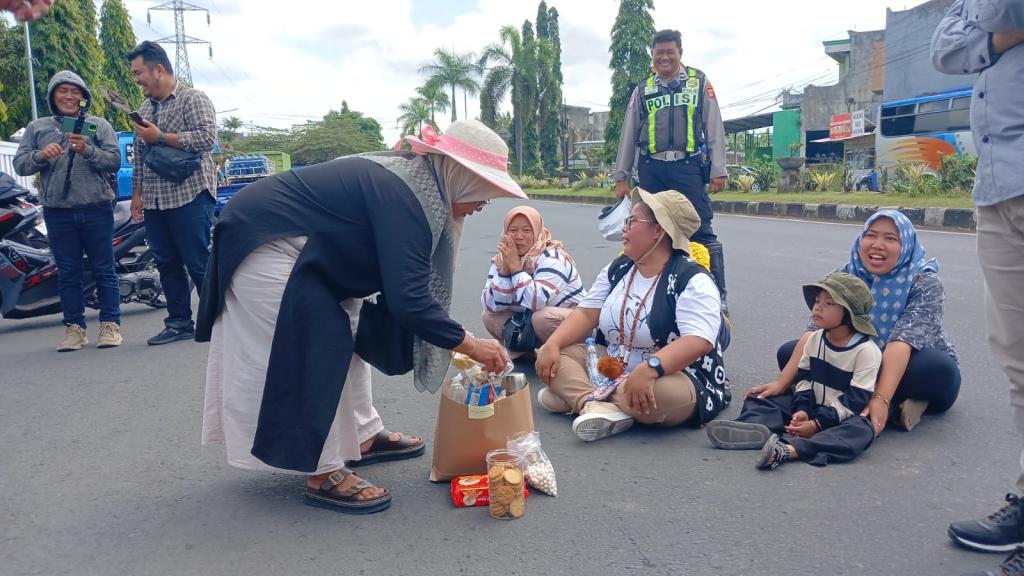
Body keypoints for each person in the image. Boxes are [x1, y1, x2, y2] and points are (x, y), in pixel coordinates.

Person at [196, 120, 520, 514]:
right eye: (484, 193)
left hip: (311, 250)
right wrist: (471, 344)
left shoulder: (421, 185)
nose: (483, 205)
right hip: (267, 245)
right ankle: (323, 469)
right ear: (462, 176)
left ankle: (363, 435)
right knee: (319, 342)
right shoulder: (407, 196)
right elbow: (409, 300)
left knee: (346, 329)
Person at [932, 2, 1024, 573]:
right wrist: (1001, 40)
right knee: (1018, 362)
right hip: (997, 191)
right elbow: (946, 46)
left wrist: (990, 31)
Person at [534, 188, 729, 442]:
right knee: (556, 357)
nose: (624, 228)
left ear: (659, 230)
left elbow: (698, 340)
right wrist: (552, 343)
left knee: (663, 397)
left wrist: (651, 368)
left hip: (674, 376)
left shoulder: (691, 279)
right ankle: (593, 405)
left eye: (632, 221)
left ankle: (578, 396)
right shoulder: (618, 269)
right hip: (614, 364)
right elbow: (586, 313)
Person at [748, 210, 960, 436]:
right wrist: (781, 383)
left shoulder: (924, 282)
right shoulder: (846, 276)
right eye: (871, 235)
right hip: (857, 360)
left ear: (906, 244)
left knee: (939, 368)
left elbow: (901, 343)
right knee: (789, 353)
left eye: (890, 238)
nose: (878, 245)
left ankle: (883, 401)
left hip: (907, 363)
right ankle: (871, 404)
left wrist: (881, 398)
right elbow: (815, 330)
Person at [705, 272, 881, 470]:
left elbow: (855, 401)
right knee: (761, 398)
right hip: (814, 405)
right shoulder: (815, 339)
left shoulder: (867, 352)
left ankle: (790, 449)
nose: (818, 307)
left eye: (829, 303)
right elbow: (804, 378)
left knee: (861, 431)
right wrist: (802, 410)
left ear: (850, 315)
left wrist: (817, 424)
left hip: (842, 416)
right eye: (817, 301)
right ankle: (755, 428)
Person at [611, 29, 730, 312]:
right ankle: (649, 291)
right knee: (649, 229)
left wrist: (719, 168)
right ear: (653, 55)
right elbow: (628, 134)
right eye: (659, 52)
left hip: (688, 168)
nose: (664, 57)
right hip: (652, 169)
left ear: (680, 53)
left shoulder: (699, 83)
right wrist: (621, 177)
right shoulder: (643, 90)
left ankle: (718, 293)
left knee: (701, 228)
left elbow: (714, 126)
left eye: (670, 52)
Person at [13, 70, 123, 351]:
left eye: (76, 92)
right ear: (53, 95)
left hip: (97, 208)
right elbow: (21, 165)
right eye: (63, 90)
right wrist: (40, 156)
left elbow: (113, 161)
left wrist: (88, 151)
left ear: (83, 97)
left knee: (104, 269)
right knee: (67, 272)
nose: (70, 96)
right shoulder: (38, 128)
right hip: (57, 211)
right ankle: (74, 328)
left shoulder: (97, 125)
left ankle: (110, 325)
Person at [126, 40, 217, 346]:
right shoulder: (143, 108)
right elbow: (140, 154)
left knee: (198, 261)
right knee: (165, 261)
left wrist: (161, 137)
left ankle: (218, 321)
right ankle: (179, 322)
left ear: (159, 69)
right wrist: (136, 194)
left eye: (139, 73)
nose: (137, 79)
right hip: (154, 199)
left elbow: (207, 138)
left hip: (190, 193)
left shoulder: (193, 98)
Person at [480, 205, 586, 358]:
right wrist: (504, 271)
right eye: (513, 230)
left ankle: (567, 354)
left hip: (577, 324)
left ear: (537, 232)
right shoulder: (502, 258)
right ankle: (522, 351)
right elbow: (490, 304)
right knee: (489, 316)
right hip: (529, 322)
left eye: (527, 230)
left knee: (542, 318)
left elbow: (535, 301)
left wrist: (516, 268)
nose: (519, 236)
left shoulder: (552, 258)